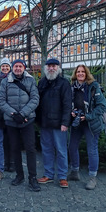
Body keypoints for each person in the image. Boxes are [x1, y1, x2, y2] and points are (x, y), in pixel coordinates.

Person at [0, 59, 40, 191]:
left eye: (20, 66)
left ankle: (32, 177)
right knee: (14, 148)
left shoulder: (31, 80)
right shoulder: (5, 81)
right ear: (12, 68)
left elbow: (35, 99)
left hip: (27, 120)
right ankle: (19, 175)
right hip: (11, 121)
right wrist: (13, 114)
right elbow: (1, 101)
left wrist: (22, 114)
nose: (17, 68)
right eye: (15, 66)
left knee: (30, 149)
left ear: (24, 68)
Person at [68, 64, 106, 190]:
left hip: (91, 123)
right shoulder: (72, 87)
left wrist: (88, 116)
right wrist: (72, 112)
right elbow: (69, 103)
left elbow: (101, 106)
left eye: (83, 72)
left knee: (92, 150)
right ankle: (75, 172)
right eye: (78, 71)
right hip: (77, 121)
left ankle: (92, 178)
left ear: (86, 74)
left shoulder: (93, 86)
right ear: (75, 73)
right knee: (72, 146)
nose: (80, 74)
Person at [36, 58, 72, 188]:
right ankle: (48, 174)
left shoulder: (64, 83)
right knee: (46, 150)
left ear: (58, 68)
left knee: (61, 151)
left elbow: (67, 104)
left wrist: (65, 122)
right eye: (49, 66)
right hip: (44, 123)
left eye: (54, 66)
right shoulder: (42, 83)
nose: (51, 68)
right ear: (46, 68)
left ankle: (62, 176)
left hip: (59, 124)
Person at [0, 57, 14, 173]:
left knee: (11, 140)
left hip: (10, 113)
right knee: (2, 141)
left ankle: (11, 162)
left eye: (7, 66)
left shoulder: (13, 79)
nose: (5, 68)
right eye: (3, 66)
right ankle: (4, 162)